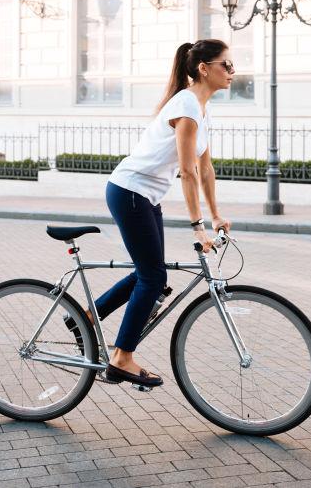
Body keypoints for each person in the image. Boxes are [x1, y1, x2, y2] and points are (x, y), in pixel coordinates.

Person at [65, 39, 234, 388]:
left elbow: (206, 169)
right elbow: (186, 172)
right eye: (226, 65)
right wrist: (197, 227)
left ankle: (84, 317)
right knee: (153, 278)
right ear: (204, 68)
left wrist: (217, 215)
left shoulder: (201, 108)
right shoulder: (186, 106)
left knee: (150, 272)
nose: (232, 71)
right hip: (130, 191)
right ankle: (122, 358)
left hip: (143, 196)